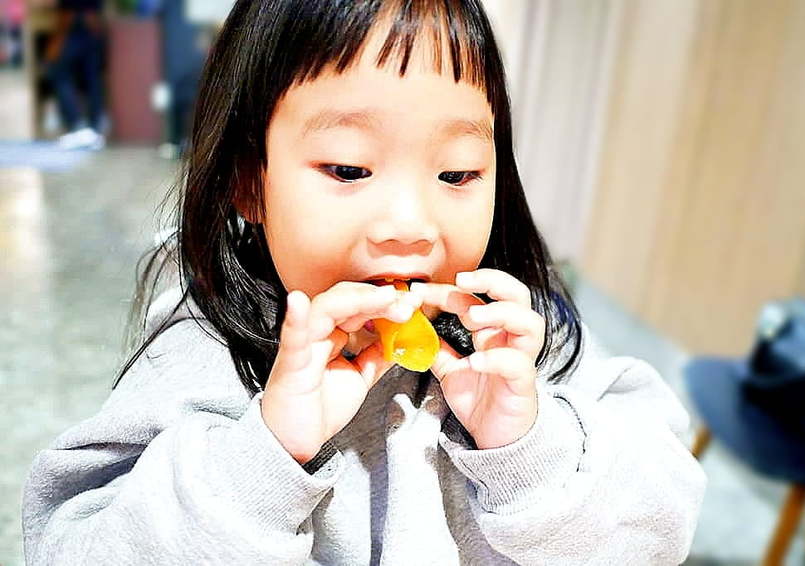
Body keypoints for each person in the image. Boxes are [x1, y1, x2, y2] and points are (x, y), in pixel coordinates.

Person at [21, 1, 706, 564]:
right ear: (249, 181)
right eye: (349, 170)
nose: (410, 225)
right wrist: (263, 456)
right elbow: (72, 545)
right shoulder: (201, 355)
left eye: (458, 173)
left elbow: (658, 529)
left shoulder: (523, 347)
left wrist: (530, 449)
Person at [44, 0, 105, 150]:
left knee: (59, 75)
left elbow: (65, 14)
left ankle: (77, 125)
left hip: (72, 23)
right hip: (90, 23)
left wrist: (58, 40)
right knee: (93, 78)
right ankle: (93, 127)